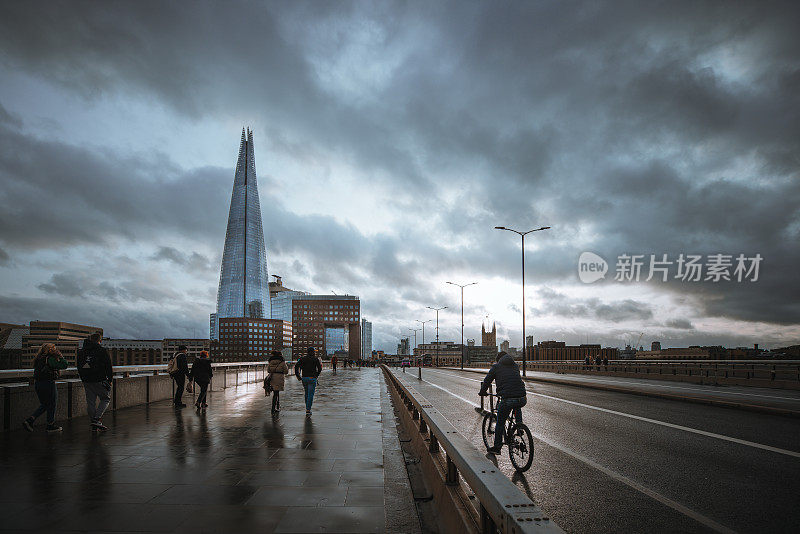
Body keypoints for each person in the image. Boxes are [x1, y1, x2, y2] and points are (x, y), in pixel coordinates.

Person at [478, 351, 527, 455]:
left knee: (500, 422)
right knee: (517, 405)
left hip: (508, 398)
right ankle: (519, 427)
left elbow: (487, 380)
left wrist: (482, 391)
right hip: (522, 397)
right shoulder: (515, 366)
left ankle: (497, 447)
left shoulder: (496, 367)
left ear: (499, 359)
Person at [23, 343, 68, 433]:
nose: (55, 350)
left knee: (45, 404)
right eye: (54, 349)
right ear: (51, 350)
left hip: (38, 384)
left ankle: (31, 420)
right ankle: (49, 425)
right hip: (48, 383)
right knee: (52, 403)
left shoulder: (39, 358)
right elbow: (64, 365)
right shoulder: (50, 359)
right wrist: (61, 356)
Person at [77, 332, 113, 431]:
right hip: (99, 379)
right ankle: (97, 419)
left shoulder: (81, 351)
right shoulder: (101, 350)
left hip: (86, 380)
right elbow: (108, 366)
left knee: (90, 402)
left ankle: (94, 422)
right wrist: (109, 379)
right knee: (105, 399)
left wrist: (83, 378)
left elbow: (78, 366)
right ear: (99, 341)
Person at [294, 347, 322, 415]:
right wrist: (316, 375)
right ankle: (308, 409)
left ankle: (307, 407)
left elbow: (296, 366)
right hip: (312, 378)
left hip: (304, 378)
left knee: (306, 393)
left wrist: (298, 375)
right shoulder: (316, 359)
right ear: (313, 352)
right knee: (310, 394)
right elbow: (319, 369)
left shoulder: (303, 358)